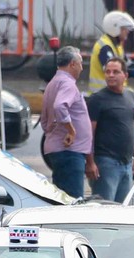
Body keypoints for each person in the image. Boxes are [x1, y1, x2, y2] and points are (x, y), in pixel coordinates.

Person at [42, 47, 94, 199]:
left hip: (60, 150)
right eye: (80, 63)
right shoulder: (67, 84)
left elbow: (45, 121)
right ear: (72, 64)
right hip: (70, 152)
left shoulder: (53, 83)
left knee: (62, 198)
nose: (82, 68)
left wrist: (53, 132)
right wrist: (71, 131)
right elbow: (60, 106)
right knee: (72, 202)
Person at [86, 58, 134, 201]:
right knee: (105, 210)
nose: (111, 75)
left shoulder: (130, 96)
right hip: (106, 164)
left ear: (125, 76)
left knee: (121, 212)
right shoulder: (97, 99)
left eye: (116, 72)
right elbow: (89, 133)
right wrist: (90, 162)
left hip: (127, 164)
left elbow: (133, 127)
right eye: (108, 72)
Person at [88, 10, 134, 94]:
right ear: (114, 28)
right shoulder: (105, 47)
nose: (127, 31)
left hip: (114, 93)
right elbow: (115, 71)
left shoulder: (117, 46)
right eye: (124, 29)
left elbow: (128, 64)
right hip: (102, 96)